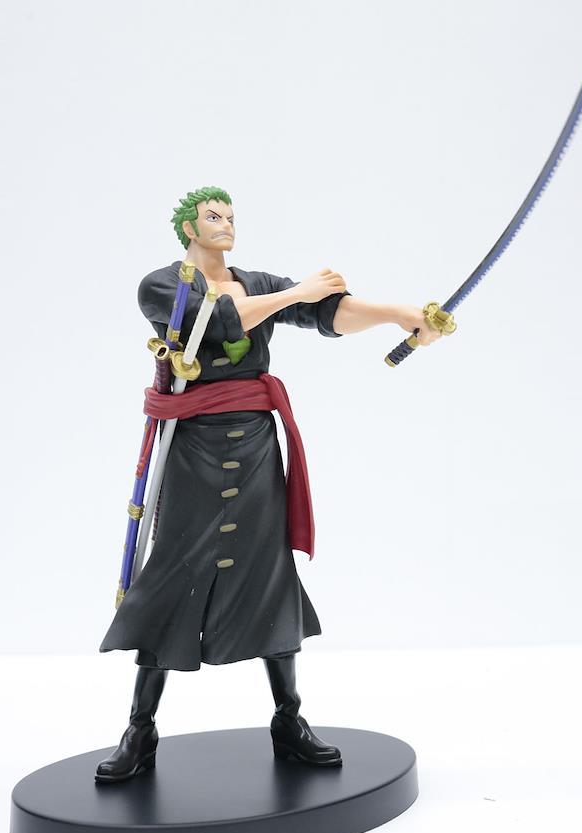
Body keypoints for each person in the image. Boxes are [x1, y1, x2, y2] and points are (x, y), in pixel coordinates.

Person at [95, 186, 442, 783]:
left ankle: (289, 720)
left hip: (255, 443)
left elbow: (329, 312)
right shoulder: (165, 285)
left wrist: (398, 314)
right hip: (193, 447)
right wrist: (296, 292)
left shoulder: (259, 283)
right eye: (212, 216)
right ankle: (140, 730)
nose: (225, 224)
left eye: (231, 216)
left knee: (268, 571)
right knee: (174, 571)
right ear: (188, 228)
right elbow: (216, 320)